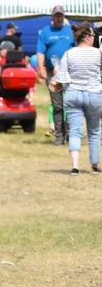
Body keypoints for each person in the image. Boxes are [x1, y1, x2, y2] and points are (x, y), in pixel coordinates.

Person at [51, 22, 102, 175]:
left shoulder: (68, 53)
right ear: (87, 37)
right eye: (93, 36)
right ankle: (94, 165)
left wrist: (56, 75)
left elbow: (63, 76)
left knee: (75, 131)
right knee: (94, 131)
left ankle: (75, 167)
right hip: (94, 94)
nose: (94, 38)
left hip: (73, 94)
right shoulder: (98, 53)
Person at [37, 6, 75, 146]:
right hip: (52, 73)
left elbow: (78, 47)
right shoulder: (45, 32)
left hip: (70, 73)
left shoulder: (70, 31)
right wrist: (41, 67)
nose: (59, 18)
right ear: (51, 16)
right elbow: (40, 51)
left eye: (61, 16)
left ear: (64, 16)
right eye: (56, 16)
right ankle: (59, 136)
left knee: (71, 103)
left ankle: (71, 135)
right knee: (57, 105)